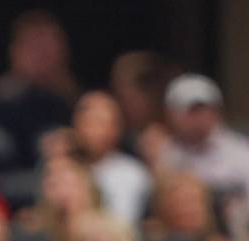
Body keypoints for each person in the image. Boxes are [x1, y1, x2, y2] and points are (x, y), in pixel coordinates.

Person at [0, 10, 77, 165]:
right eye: (35, 46)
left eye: (49, 46)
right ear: (15, 51)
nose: (43, 55)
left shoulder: (74, 98)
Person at [144, 75, 249, 203]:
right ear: (171, 114)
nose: (200, 117)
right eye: (192, 111)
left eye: (205, 109)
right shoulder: (164, 151)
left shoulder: (241, 152)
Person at [67, 90, 154, 225]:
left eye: (99, 122)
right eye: (86, 121)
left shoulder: (131, 173)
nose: (91, 129)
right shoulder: (62, 167)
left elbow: (121, 224)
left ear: (116, 128)